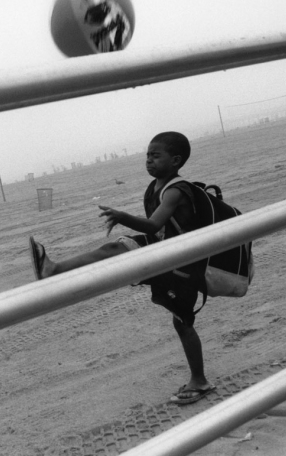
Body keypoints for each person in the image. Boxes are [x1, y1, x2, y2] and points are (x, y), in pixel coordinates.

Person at [29, 131, 215, 405]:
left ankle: (199, 381)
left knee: (183, 323)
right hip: (166, 253)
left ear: (175, 160)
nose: (149, 160)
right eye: (147, 155)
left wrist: (122, 217)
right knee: (114, 251)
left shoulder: (175, 190)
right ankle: (54, 270)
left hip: (183, 264)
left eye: (156, 155)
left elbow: (153, 225)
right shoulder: (154, 188)